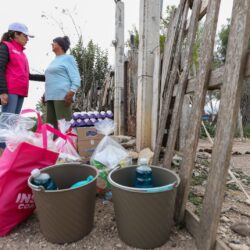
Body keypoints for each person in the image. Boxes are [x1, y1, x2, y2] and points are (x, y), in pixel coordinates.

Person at [0, 22, 44, 154]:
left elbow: (27, 75)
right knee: (6, 123)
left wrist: (46, 77)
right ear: (15, 34)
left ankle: (7, 152)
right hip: (10, 91)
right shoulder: (5, 46)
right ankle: (2, 152)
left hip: (20, 92)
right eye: (25, 35)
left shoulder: (22, 53)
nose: (27, 39)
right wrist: (2, 91)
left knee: (12, 123)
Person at [44, 36, 81, 129]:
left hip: (62, 96)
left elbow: (76, 78)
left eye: (54, 42)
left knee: (63, 127)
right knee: (51, 127)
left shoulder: (68, 58)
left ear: (60, 45)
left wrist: (72, 91)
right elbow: (52, 78)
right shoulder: (54, 61)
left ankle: (66, 144)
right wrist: (45, 93)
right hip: (50, 96)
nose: (51, 44)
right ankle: (53, 144)